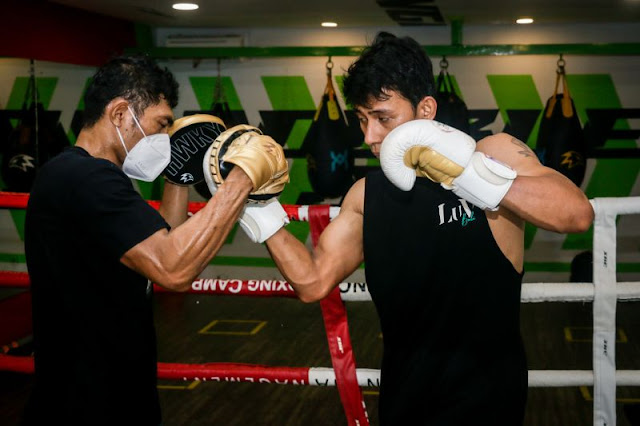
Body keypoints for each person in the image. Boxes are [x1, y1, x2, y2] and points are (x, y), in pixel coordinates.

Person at [242, 32, 595, 424]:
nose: (369, 137)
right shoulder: (366, 194)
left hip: (487, 401)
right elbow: (311, 282)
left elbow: (576, 215)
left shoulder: (492, 154)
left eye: (383, 118)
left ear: (425, 109)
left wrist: (469, 176)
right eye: (362, 119)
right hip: (405, 399)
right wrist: (257, 207)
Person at [22, 55, 287, 425]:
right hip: (85, 403)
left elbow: (163, 243)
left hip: (113, 390)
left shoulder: (90, 177)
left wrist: (177, 174)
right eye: (161, 124)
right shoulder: (85, 178)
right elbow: (173, 267)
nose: (165, 137)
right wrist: (242, 178)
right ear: (119, 114)